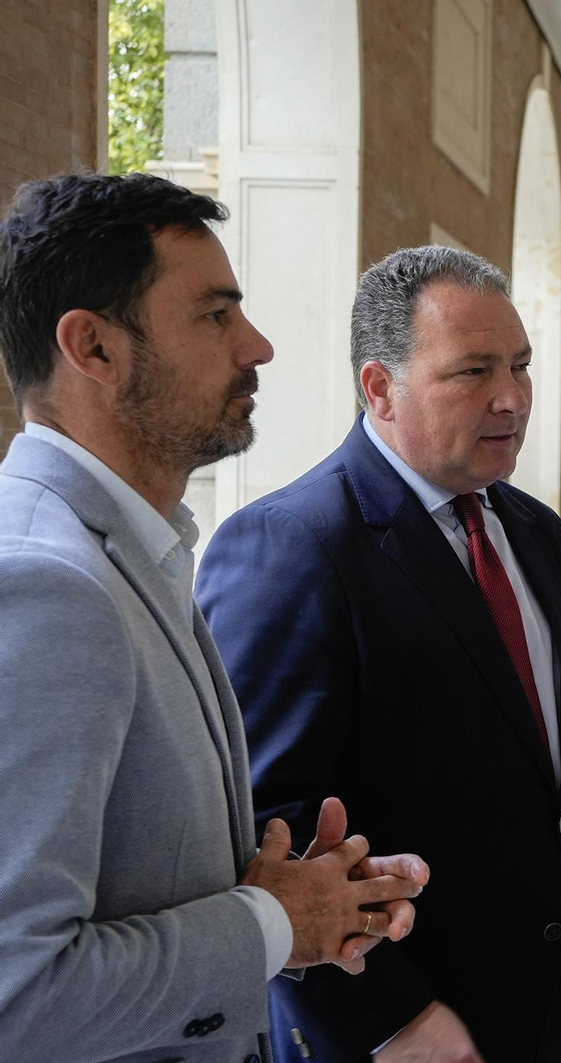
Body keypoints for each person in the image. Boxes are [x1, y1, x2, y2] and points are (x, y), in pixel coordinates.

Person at [0, 172, 426, 1063]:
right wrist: (269, 920)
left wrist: (302, 898)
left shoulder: (135, 549)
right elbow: (17, 992)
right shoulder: (48, 584)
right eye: (215, 315)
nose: (258, 345)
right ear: (94, 347)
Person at [197, 246, 561, 1062]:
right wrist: (388, 1018)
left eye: (520, 364)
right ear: (379, 386)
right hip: (418, 1018)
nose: (511, 397)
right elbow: (265, 827)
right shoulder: (291, 546)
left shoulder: (538, 532)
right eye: (473, 371)